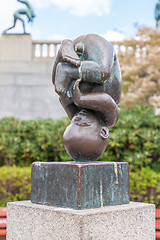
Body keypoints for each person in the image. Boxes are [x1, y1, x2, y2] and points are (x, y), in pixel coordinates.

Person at [52, 34, 122, 161]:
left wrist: (65, 96)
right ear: (103, 132)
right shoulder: (109, 119)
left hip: (75, 55)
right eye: (84, 124)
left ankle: (64, 50)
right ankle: (66, 69)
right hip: (98, 49)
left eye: (73, 122)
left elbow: (64, 100)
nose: (78, 118)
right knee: (103, 73)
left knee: (58, 83)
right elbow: (106, 101)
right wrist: (81, 99)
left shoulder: (77, 115)